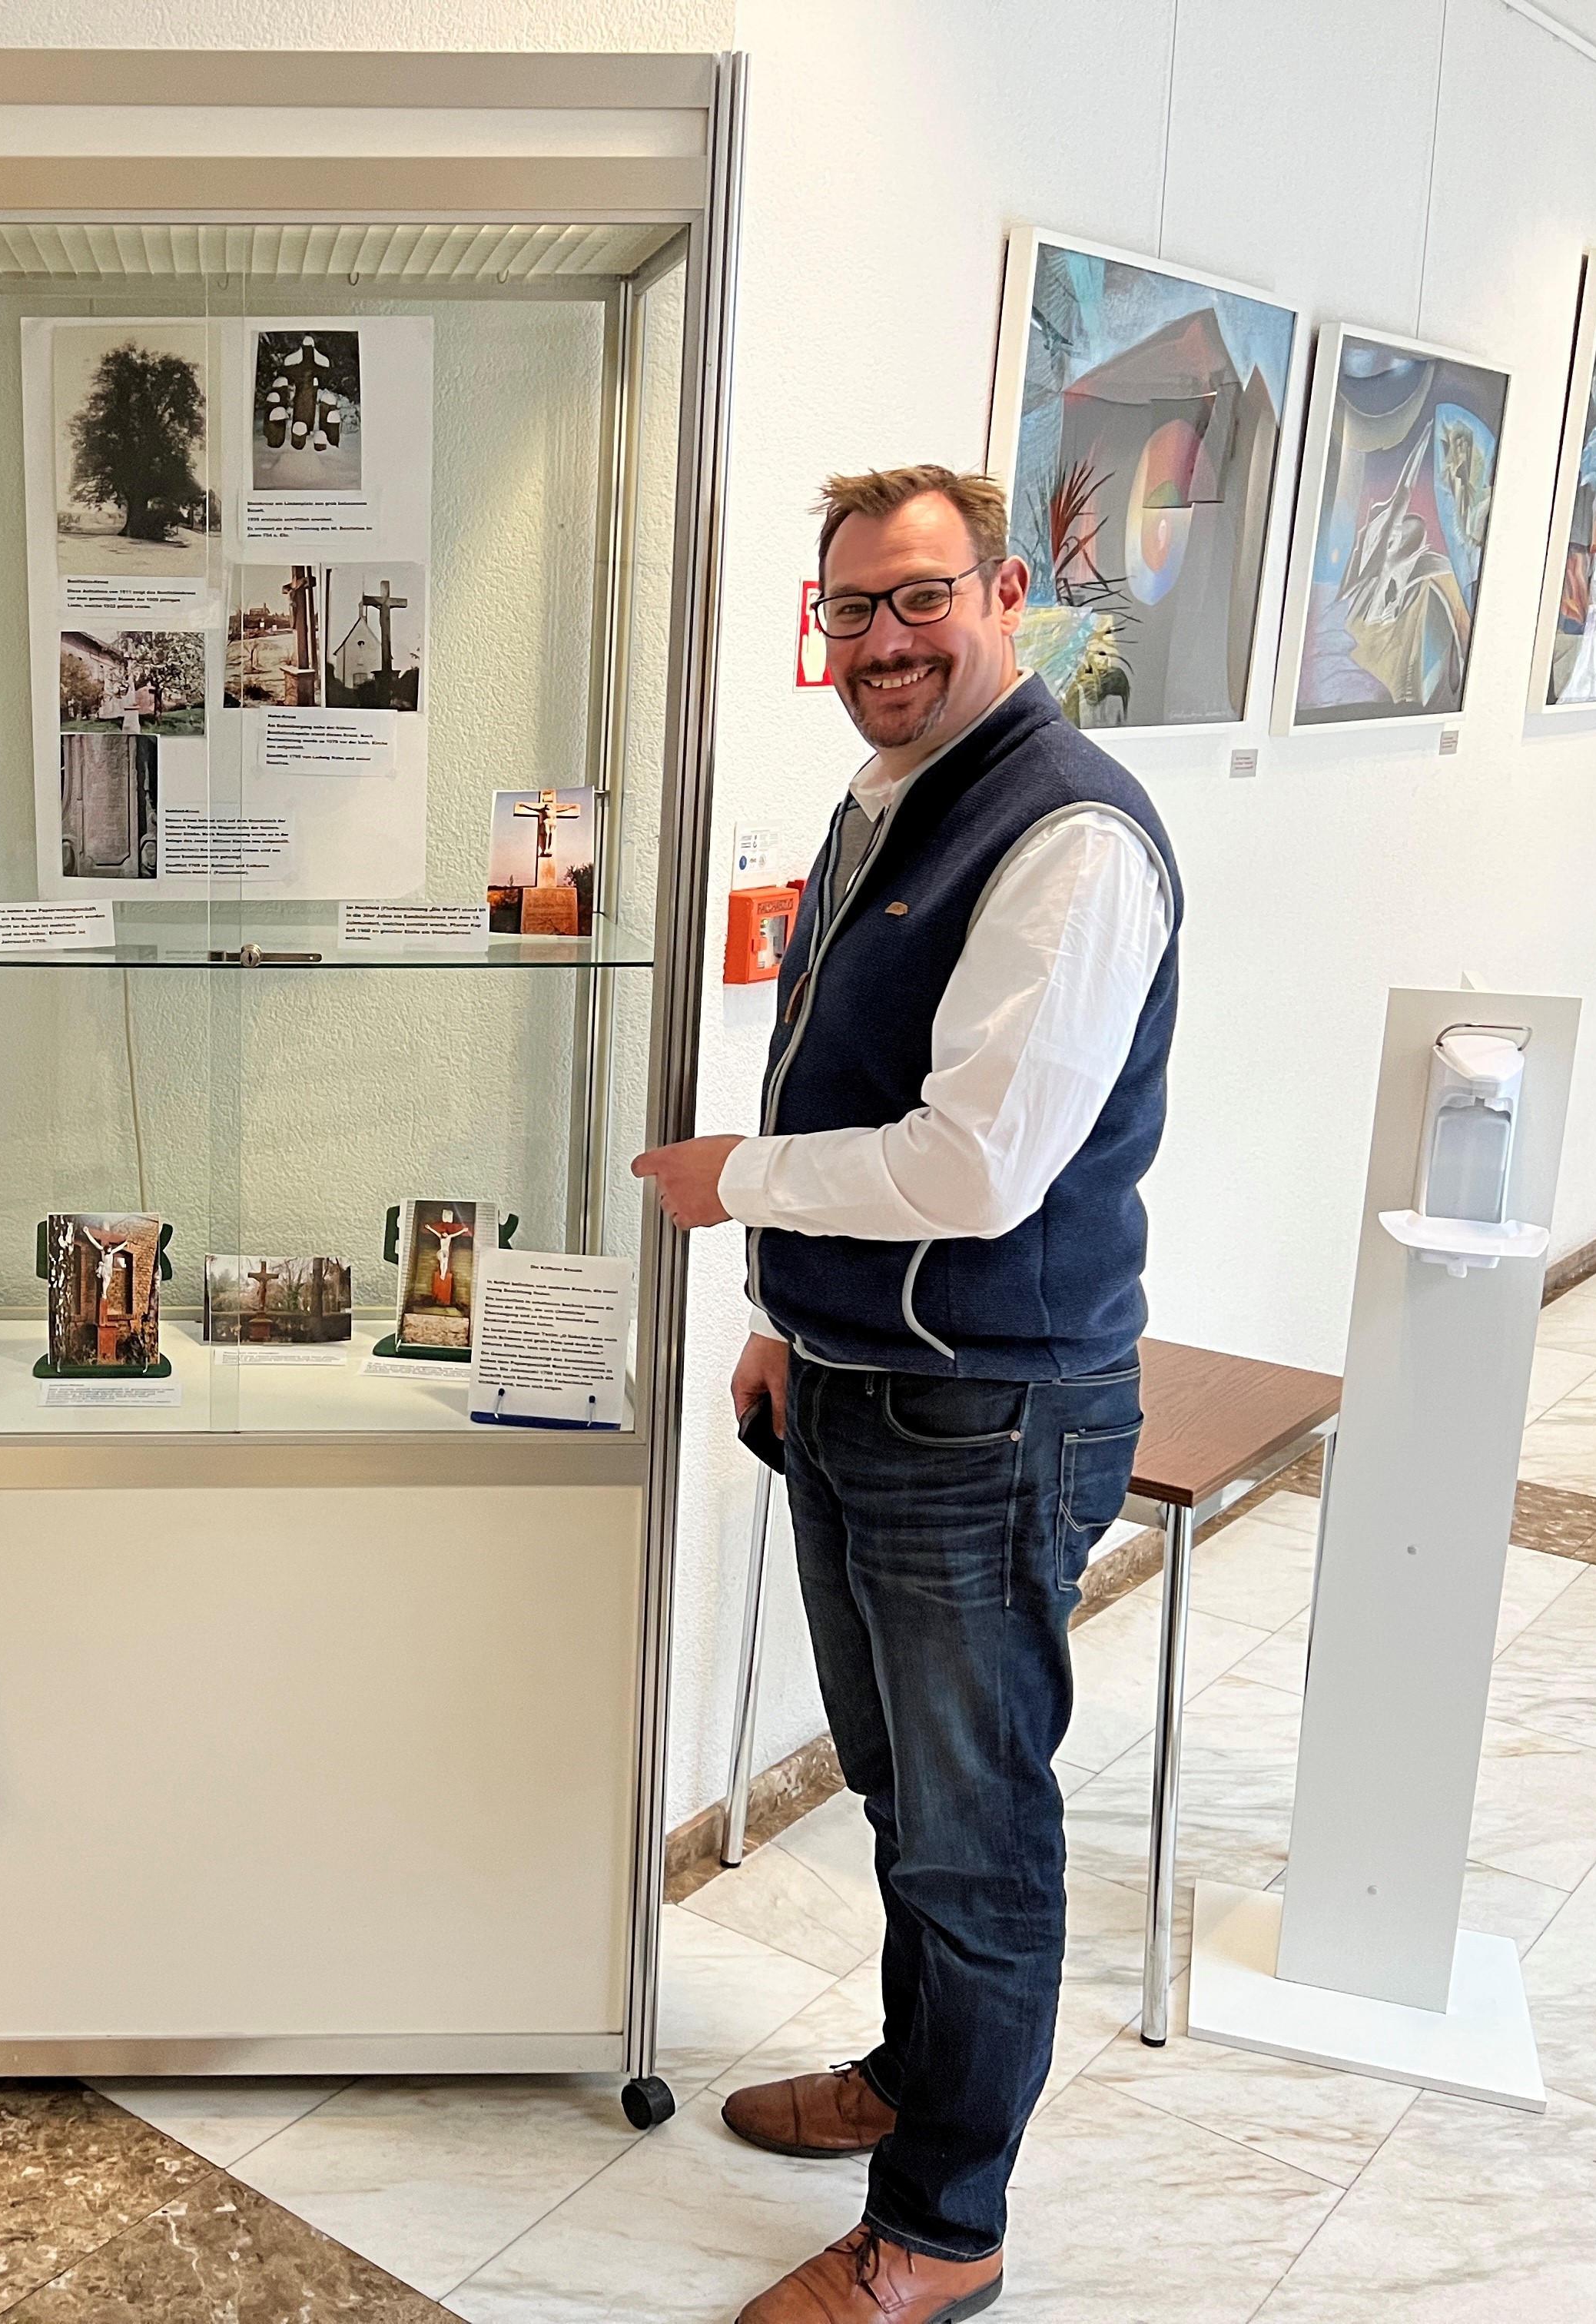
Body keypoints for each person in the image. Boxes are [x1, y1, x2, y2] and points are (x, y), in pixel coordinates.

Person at [632, 466, 1179, 2324]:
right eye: (851, 609)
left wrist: (742, 1193)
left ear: (1005, 591)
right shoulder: (889, 799)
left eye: (918, 599)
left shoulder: (1070, 838)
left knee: (975, 1824)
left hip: (988, 1413)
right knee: (898, 1787)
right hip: (859, 1387)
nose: (882, 640)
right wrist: (789, 1308)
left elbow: (976, 1169)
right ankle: (912, 2073)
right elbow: (843, 1078)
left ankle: (944, 2225)